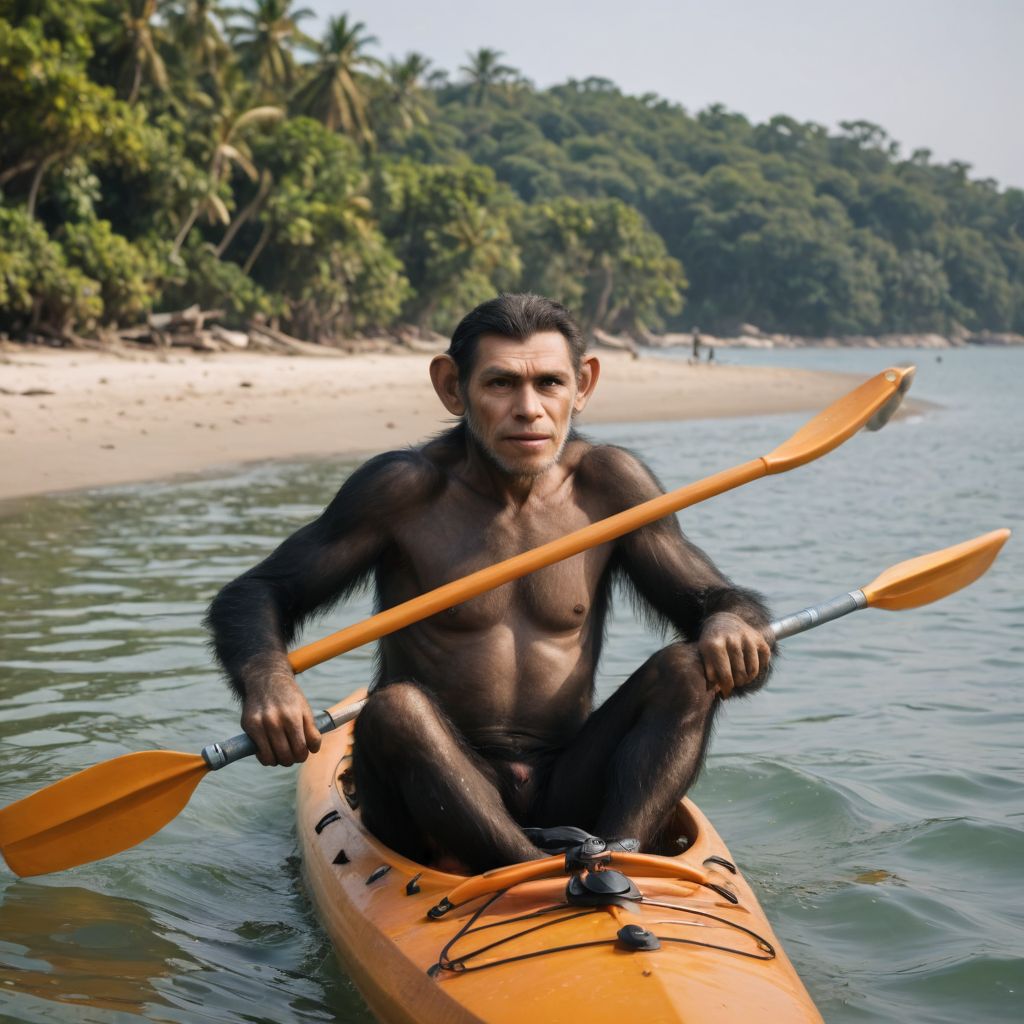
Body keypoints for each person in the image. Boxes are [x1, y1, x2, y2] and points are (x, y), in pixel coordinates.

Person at [205, 294, 773, 873]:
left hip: (567, 776)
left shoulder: (608, 487)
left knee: (687, 669)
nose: (529, 409)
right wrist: (268, 678)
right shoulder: (405, 491)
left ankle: (619, 861)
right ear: (453, 388)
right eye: (501, 384)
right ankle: (543, 876)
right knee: (393, 709)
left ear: (583, 385)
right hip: (434, 787)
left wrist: (731, 623)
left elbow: (717, 604)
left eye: (549, 384)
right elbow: (256, 594)